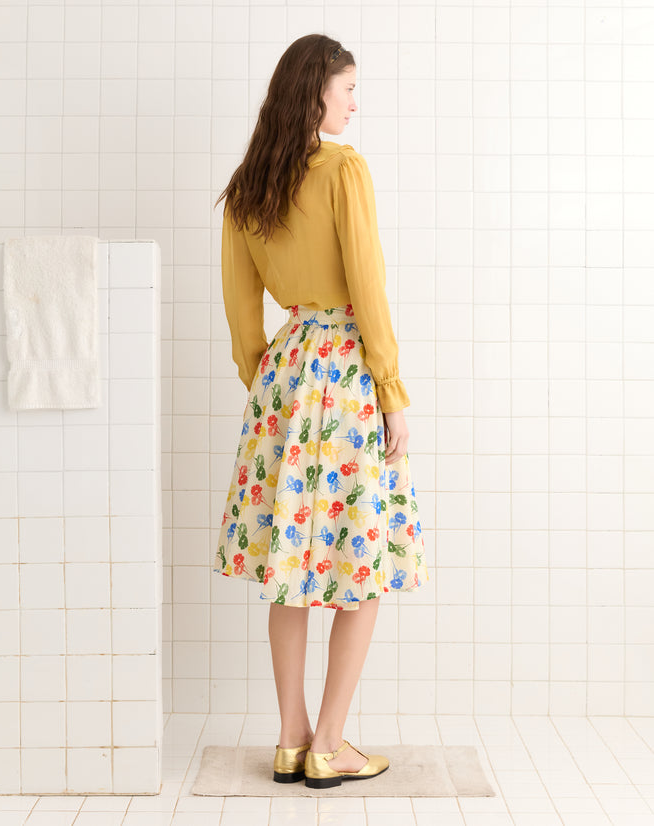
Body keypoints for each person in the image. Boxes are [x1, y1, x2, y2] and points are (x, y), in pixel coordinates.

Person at [212, 33, 429, 789]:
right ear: (315, 94)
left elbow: (243, 323)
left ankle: (290, 737)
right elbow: (368, 286)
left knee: (291, 568)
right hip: (344, 371)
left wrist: (272, 387)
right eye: (347, 91)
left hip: (285, 381)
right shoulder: (344, 170)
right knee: (359, 563)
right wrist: (391, 392)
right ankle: (330, 744)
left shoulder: (247, 187)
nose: (354, 104)